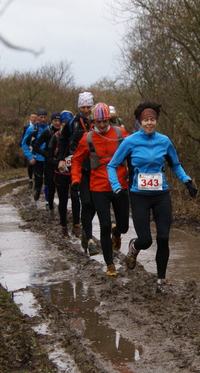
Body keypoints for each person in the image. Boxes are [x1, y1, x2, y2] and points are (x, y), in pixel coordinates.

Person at [107, 101, 198, 293]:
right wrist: (116, 187)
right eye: (146, 120)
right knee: (146, 240)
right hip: (139, 195)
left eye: (152, 120)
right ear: (139, 122)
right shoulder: (130, 141)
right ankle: (134, 247)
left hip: (161, 195)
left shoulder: (164, 141)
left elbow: (175, 164)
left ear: (156, 121)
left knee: (163, 238)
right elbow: (112, 165)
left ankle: (160, 281)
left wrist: (187, 181)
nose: (149, 123)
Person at [71, 103, 130, 276]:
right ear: (93, 120)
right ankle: (110, 264)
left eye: (105, 121)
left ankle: (117, 232)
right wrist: (76, 179)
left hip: (120, 185)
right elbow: (76, 160)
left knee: (124, 226)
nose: (102, 125)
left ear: (109, 119)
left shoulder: (120, 134)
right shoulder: (87, 138)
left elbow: (135, 150)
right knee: (104, 224)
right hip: (98, 187)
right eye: (99, 122)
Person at [58, 92, 98, 253]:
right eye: (83, 107)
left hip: (97, 167)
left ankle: (85, 229)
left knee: (95, 203)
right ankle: (87, 234)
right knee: (86, 202)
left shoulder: (100, 120)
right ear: (79, 107)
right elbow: (62, 141)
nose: (86, 109)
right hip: (80, 166)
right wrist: (61, 158)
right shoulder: (72, 123)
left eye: (89, 106)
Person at [35, 110, 81, 237]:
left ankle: (77, 225)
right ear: (60, 124)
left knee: (76, 198)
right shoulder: (56, 137)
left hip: (74, 172)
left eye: (68, 123)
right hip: (60, 173)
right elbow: (49, 156)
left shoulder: (77, 137)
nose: (66, 125)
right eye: (64, 123)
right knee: (63, 200)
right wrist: (58, 163)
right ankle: (64, 226)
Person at [33, 111, 62, 213]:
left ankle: (61, 208)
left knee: (61, 187)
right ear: (52, 121)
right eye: (55, 120)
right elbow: (36, 146)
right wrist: (47, 155)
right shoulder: (47, 132)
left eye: (59, 121)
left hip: (61, 163)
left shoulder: (65, 132)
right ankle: (50, 206)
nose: (57, 123)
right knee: (51, 186)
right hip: (49, 163)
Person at [21, 108, 50, 201]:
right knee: (39, 181)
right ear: (37, 118)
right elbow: (24, 143)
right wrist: (30, 156)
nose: (43, 119)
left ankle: (47, 201)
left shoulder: (50, 127)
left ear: (47, 117)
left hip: (48, 159)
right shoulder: (32, 128)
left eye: (45, 117)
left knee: (48, 182)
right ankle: (37, 190)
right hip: (37, 158)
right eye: (41, 117)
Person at [22, 111, 38, 189]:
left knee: (37, 164)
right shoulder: (26, 127)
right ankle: (30, 180)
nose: (33, 119)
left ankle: (37, 180)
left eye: (35, 117)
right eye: (32, 117)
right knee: (30, 165)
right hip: (29, 148)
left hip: (37, 148)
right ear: (30, 118)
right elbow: (24, 139)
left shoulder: (39, 127)